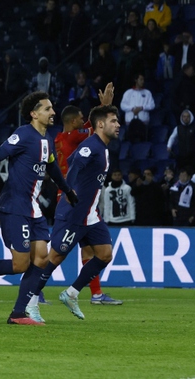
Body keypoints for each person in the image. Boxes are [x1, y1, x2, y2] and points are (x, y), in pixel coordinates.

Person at [0, 92, 77, 325]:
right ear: (34, 113)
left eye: (52, 108)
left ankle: (18, 313)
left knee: (41, 258)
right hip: (14, 206)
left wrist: (67, 190)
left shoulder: (48, 138)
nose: (52, 112)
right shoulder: (22, 134)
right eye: (47, 109)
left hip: (34, 209)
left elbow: (52, 169)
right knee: (21, 264)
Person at [21, 105, 123, 323]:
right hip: (74, 213)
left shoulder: (102, 146)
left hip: (91, 215)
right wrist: (70, 188)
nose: (118, 125)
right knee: (55, 257)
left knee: (105, 254)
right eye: (114, 121)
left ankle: (71, 293)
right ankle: (30, 303)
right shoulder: (91, 145)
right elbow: (73, 163)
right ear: (101, 124)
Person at [53, 93, 124, 306]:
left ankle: (95, 294)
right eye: (80, 118)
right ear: (73, 121)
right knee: (56, 254)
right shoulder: (74, 137)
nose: (83, 121)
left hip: (69, 192)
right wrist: (103, 106)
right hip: (75, 196)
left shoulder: (57, 138)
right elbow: (95, 129)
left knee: (89, 249)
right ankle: (34, 290)